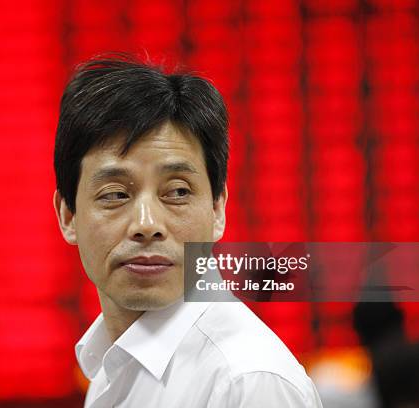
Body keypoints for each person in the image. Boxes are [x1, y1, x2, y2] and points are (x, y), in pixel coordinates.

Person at [53, 55, 323, 407]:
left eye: (178, 192)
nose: (147, 224)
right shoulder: (110, 373)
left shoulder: (247, 382)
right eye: (116, 195)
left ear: (217, 209)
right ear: (68, 215)